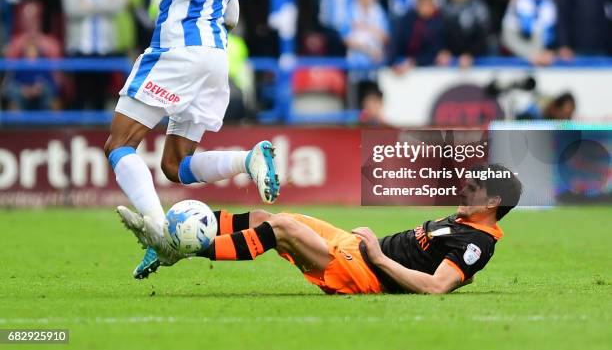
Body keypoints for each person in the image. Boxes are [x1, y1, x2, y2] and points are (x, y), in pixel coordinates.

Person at [106, 0, 281, 281]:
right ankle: (249, 158)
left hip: (178, 47)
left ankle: (159, 234)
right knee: (175, 163)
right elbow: (233, 12)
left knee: (119, 143)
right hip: (214, 53)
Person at [118, 169, 523, 295]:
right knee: (263, 215)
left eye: (476, 188)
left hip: (363, 272)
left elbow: (438, 287)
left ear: (492, 204)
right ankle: (179, 242)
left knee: (281, 228)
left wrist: (379, 258)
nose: (465, 188)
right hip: (357, 247)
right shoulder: (462, 220)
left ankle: (179, 248)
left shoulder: (477, 243)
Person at [60, 0, 126, 110]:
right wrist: (104, 2)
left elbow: (119, 5)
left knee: (101, 99)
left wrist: (89, 4)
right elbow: (72, 9)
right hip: (79, 48)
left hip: (105, 48)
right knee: (79, 98)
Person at [502, 0, 557, 65]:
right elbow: (508, 37)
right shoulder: (517, 3)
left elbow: (553, 33)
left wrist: (551, 52)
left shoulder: (551, 3)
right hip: (520, 62)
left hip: (548, 59)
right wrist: (530, 55)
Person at [439, 0, 490, 67]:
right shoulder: (444, 5)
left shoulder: (477, 7)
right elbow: (440, 33)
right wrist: (443, 50)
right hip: (450, 61)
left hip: (475, 61)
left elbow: (482, 36)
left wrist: (470, 54)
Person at [390, 0, 445, 69]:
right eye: (423, 5)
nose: (425, 9)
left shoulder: (440, 22)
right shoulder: (407, 19)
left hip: (427, 63)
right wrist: (393, 63)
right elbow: (396, 42)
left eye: (428, 5)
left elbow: (435, 50)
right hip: (405, 59)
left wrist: (414, 62)